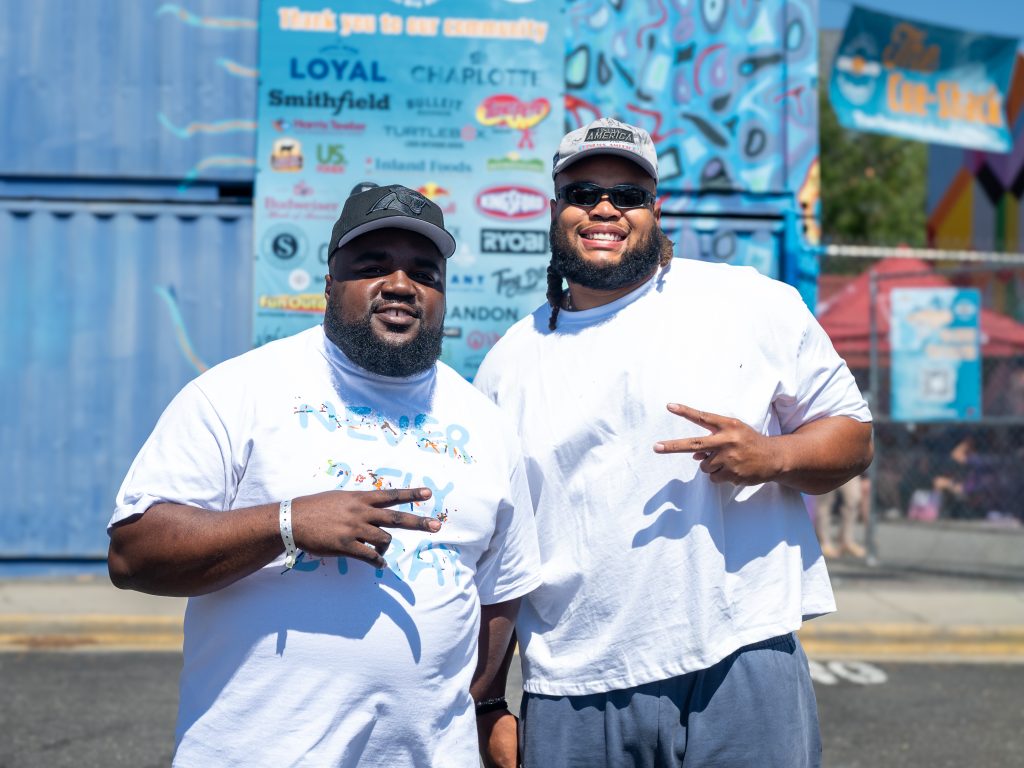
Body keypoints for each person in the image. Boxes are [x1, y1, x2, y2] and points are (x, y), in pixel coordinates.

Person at [473, 118, 874, 767]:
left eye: (627, 195)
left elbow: (853, 437)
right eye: (583, 193)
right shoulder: (508, 365)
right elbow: (501, 555)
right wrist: (488, 701)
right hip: (575, 687)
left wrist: (775, 457)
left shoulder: (748, 302)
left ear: (655, 211)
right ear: (555, 210)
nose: (605, 208)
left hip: (742, 659)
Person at [107, 183, 540, 768]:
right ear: (330, 283)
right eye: (373, 266)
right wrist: (287, 522)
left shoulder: (487, 426)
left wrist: (481, 707)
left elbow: (498, 593)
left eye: (424, 273)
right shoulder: (238, 393)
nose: (401, 285)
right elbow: (132, 554)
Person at [814, 475, 866, 558]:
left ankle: (846, 541)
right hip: (824, 470)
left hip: (848, 469)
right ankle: (824, 543)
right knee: (824, 503)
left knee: (854, 497)